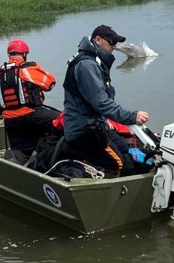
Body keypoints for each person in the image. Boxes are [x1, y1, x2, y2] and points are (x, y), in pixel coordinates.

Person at [61, 25, 151, 176]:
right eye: (111, 43)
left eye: (116, 44)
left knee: (129, 153)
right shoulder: (87, 65)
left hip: (97, 125)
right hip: (84, 130)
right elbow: (101, 103)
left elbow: (103, 99)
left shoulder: (96, 62)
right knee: (121, 164)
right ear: (98, 40)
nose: (114, 47)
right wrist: (132, 116)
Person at [0, 38, 60, 162]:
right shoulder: (28, 69)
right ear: (25, 54)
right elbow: (51, 83)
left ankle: (16, 156)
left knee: (22, 150)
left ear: (9, 54)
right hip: (33, 115)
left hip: (11, 121)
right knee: (63, 121)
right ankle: (47, 150)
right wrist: (36, 68)